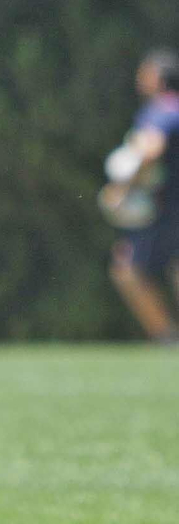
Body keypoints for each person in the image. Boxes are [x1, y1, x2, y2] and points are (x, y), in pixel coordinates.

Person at [105, 49, 179, 342]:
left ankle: (167, 337)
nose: (139, 79)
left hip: (166, 205)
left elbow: (151, 150)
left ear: (158, 79)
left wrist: (124, 188)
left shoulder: (160, 109)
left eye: (144, 73)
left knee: (126, 268)